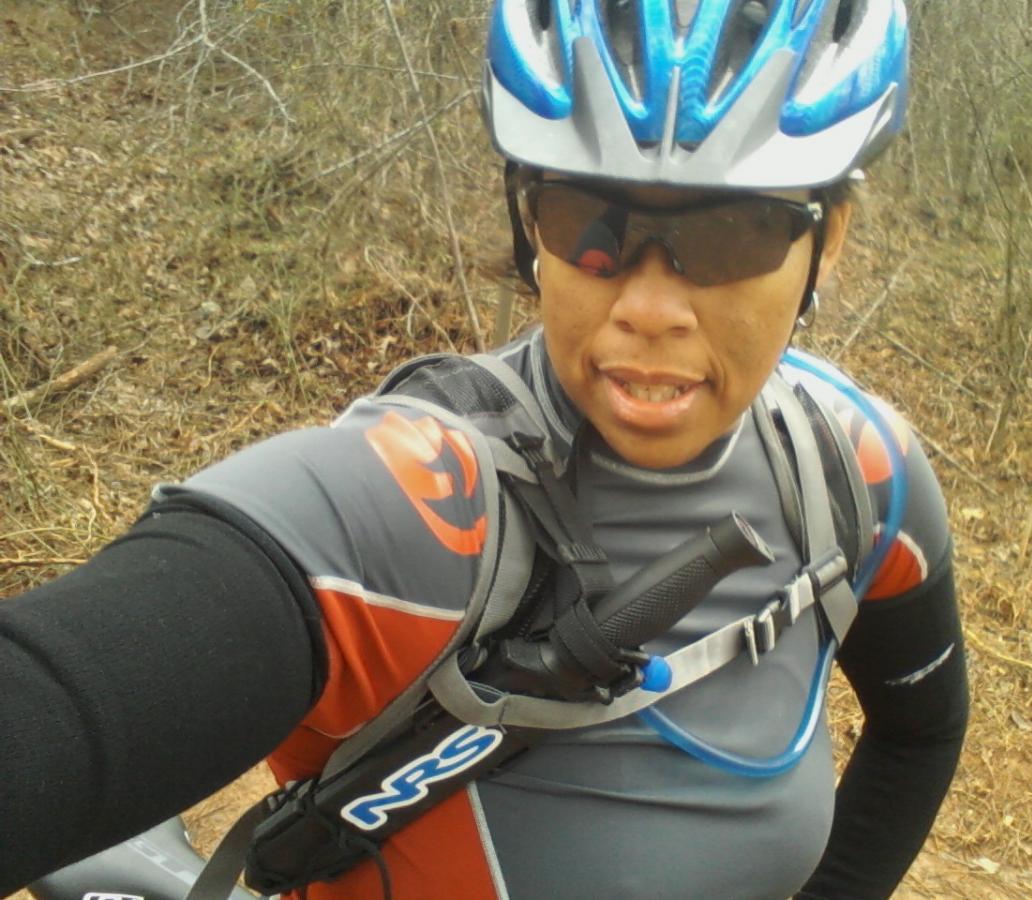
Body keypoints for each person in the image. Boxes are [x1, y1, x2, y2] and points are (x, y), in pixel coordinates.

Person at [0, 1, 968, 897]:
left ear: (829, 238)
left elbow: (921, 735)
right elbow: (69, 693)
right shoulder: (414, 502)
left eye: (736, 232)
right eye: (588, 222)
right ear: (525, 221)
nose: (648, 308)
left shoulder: (857, 475)